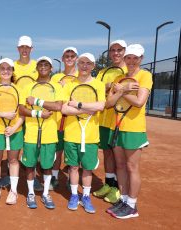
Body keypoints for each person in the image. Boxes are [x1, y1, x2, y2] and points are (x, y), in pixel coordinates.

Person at [105, 44, 152, 219]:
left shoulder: (144, 75)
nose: (132, 61)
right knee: (120, 166)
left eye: (135, 58)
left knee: (132, 167)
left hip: (134, 128)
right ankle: (123, 200)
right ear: (125, 59)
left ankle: (132, 205)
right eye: (129, 58)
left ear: (141, 59)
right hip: (117, 126)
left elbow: (139, 101)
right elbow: (109, 103)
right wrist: (121, 90)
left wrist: (122, 91)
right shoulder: (119, 77)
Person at [61, 53, 105, 214]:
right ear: (78, 64)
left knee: (87, 168)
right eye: (82, 63)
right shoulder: (68, 84)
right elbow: (64, 108)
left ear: (93, 66)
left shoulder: (99, 85)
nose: (84, 66)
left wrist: (78, 104)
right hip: (71, 134)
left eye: (88, 63)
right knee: (73, 167)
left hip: (91, 136)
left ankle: (85, 196)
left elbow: (100, 106)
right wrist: (89, 107)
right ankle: (74, 195)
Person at [19, 56, 63, 209]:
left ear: (51, 68)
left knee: (47, 166)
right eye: (40, 64)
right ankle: (31, 193)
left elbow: (58, 107)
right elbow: (22, 109)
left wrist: (37, 102)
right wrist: (38, 114)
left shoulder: (57, 86)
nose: (43, 66)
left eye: (47, 64)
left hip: (50, 133)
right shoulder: (27, 86)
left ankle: (45, 193)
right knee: (30, 165)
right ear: (36, 67)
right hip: (31, 132)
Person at [0, 35, 43, 192]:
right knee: (12, 145)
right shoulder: (12, 66)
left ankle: (33, 177)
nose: (24, 50)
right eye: (22, 47)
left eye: (27, 47)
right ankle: (8, 175)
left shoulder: (37, 65)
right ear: (18, 49)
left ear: (31, 49)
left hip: (31, 112)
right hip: (15, 110)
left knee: (31, 146)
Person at [0, 58, 24, 204]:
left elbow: (23, 114)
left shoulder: (19, 89)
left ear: (12, 71)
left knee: (13, 160)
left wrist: (14, 127)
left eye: (9, 68)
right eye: (3, 68)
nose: (6, 71)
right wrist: (3, 115)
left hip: (15, 130)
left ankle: (13, 191)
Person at [93, 40, 128, 203]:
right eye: (112, 50)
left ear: (125, 51)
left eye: (119, 50)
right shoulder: (102, 72)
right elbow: (97, 91)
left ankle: (118, 189)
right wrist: (107, 86)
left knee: (120, 158)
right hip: (104, 120)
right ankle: (108, 184)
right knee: (107, 153)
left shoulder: (130, 70)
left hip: (121, 121)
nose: (116, 53)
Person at [50, 47, 79, 191]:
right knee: (57, 150)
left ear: (76, 58)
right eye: (66, 55)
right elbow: (52, 98)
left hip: (74, 122)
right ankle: (54, 176)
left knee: (73, 152)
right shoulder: (55, 78)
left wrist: (67, 89)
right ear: (62, 58)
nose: (69, 58)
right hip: (57, 120)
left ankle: (71, 179)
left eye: (72, 56)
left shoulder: (82, 76)